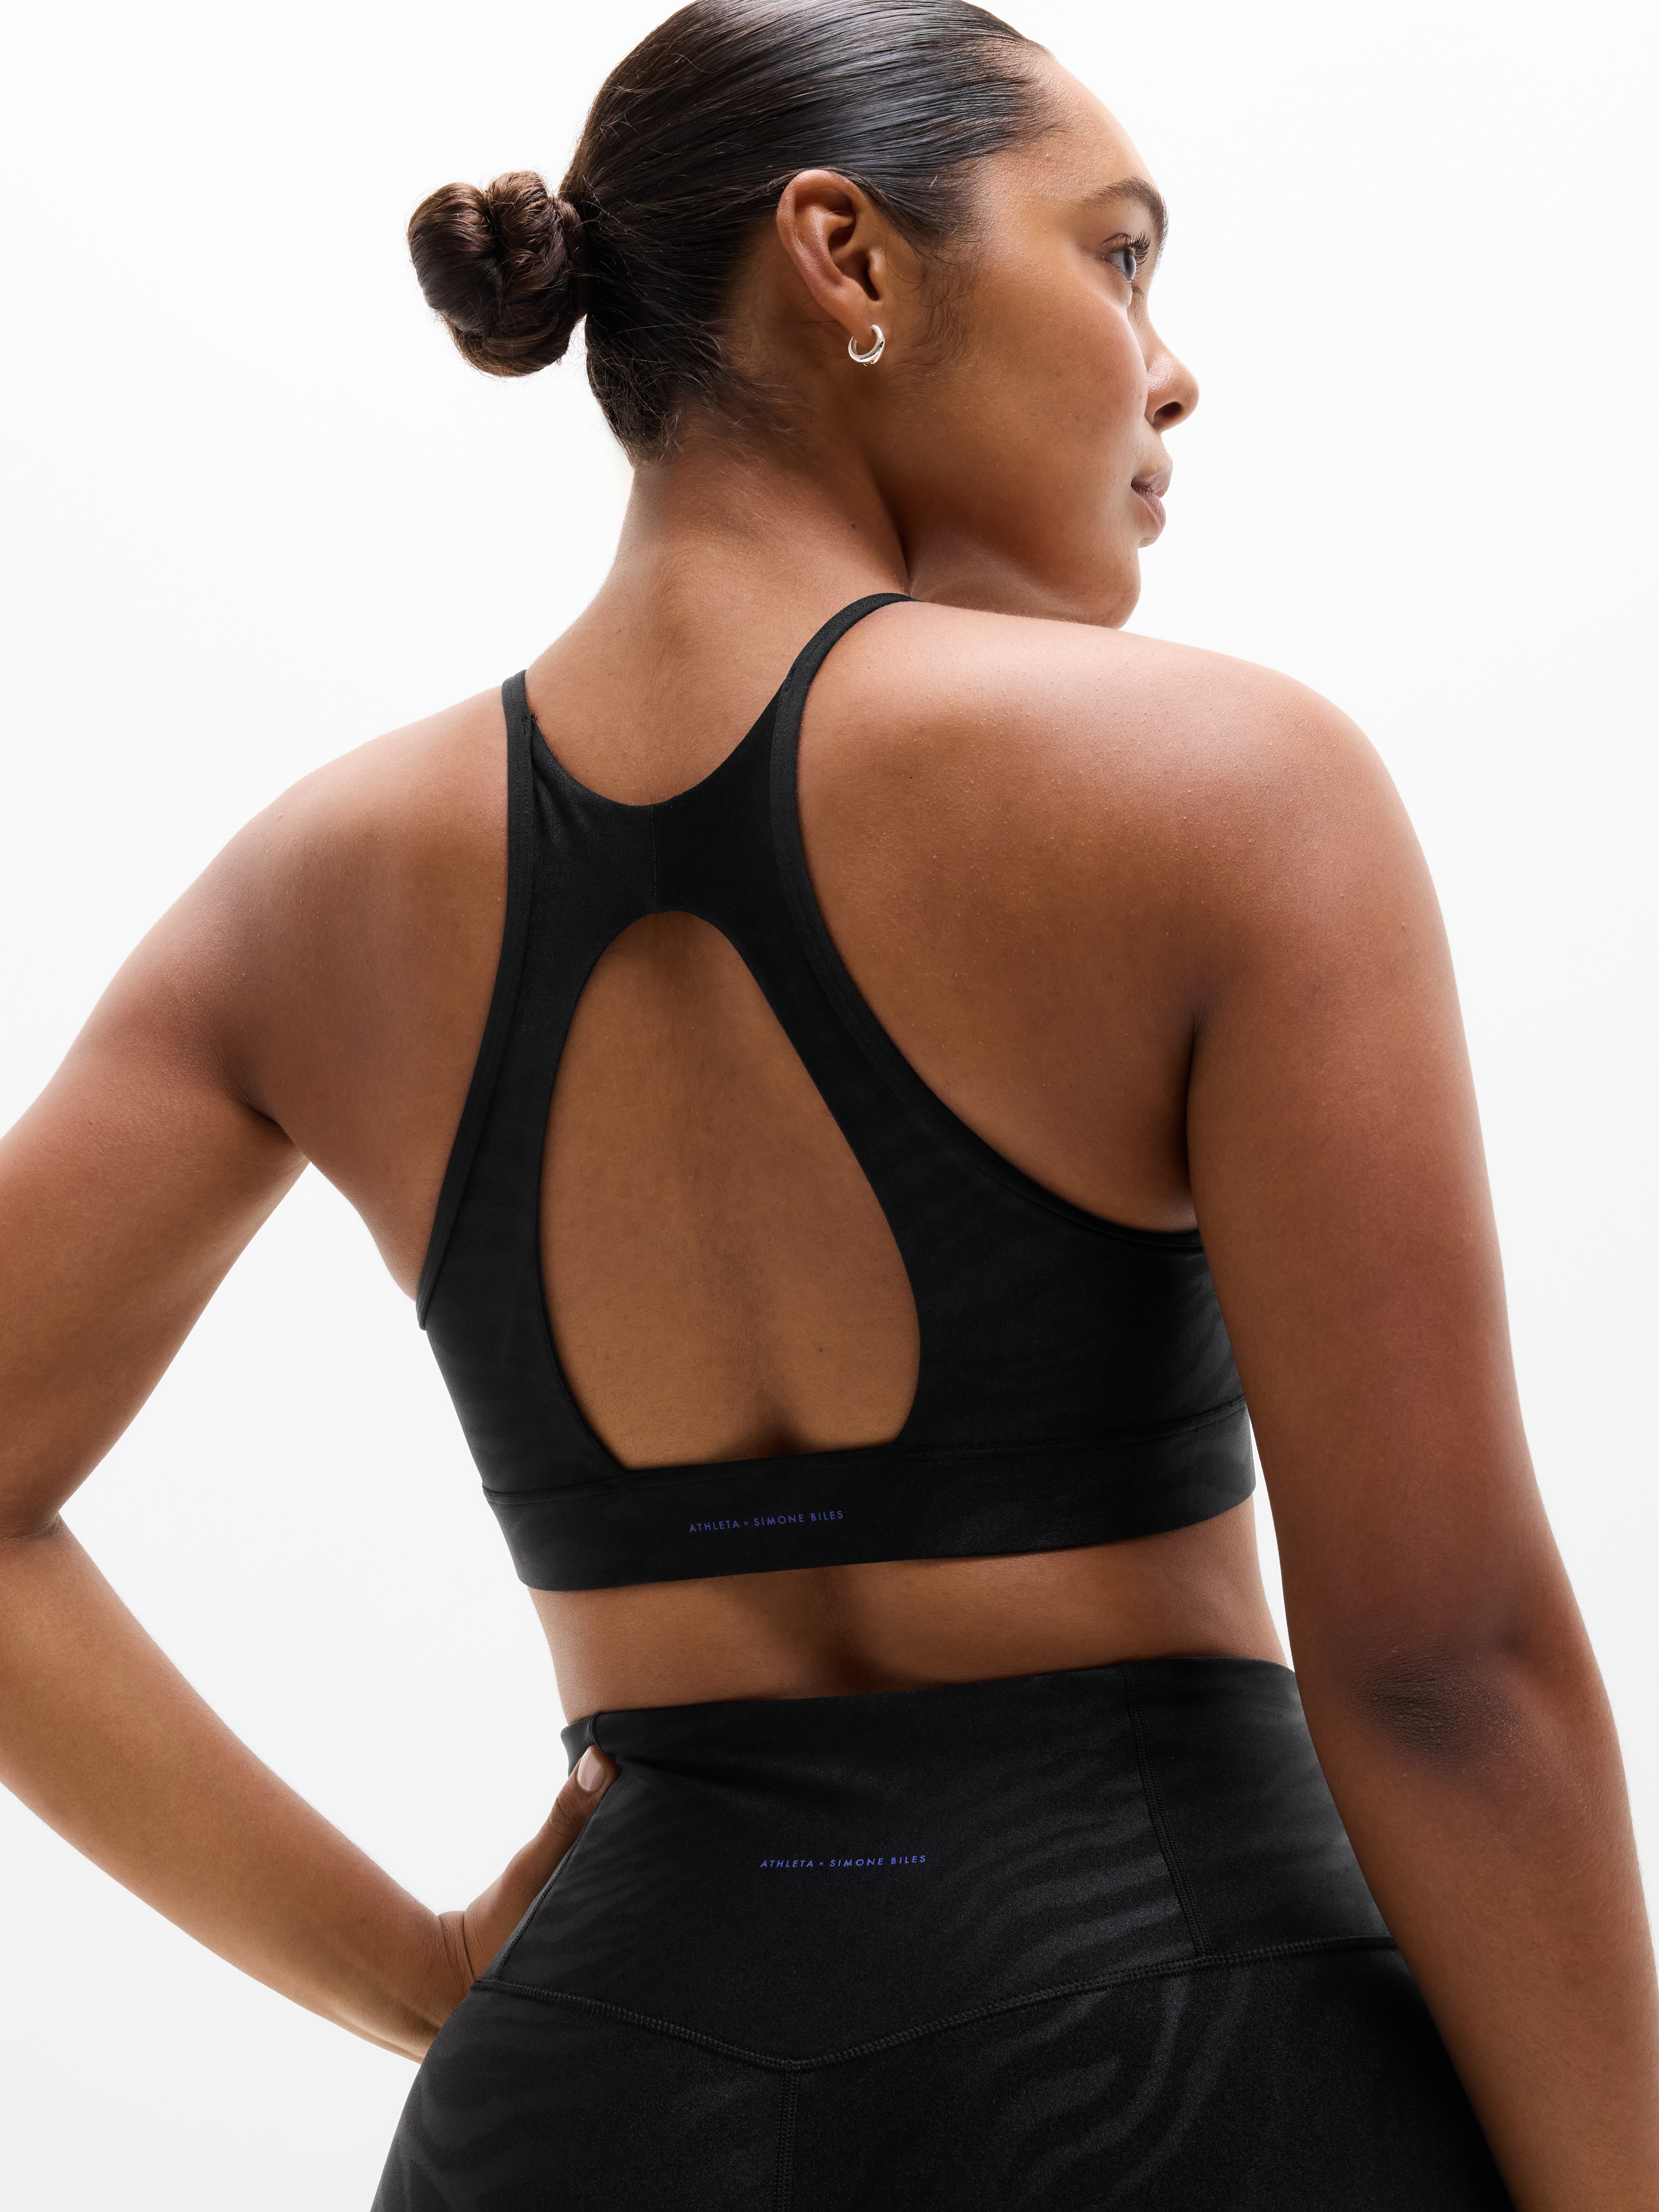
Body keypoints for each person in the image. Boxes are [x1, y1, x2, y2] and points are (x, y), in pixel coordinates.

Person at [0, 0, 1653, 2203]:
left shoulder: (306, 893)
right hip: (1174, 2064)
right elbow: (1446, 1675)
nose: (1169, 370)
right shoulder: (1228, 788)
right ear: (845, 256)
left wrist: (426, 1978)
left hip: (593, 2102)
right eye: (1118, 254)